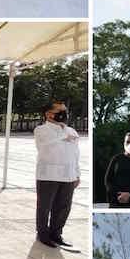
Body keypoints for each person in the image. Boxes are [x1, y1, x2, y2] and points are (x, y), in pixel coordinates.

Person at [34, 101, 81, 249]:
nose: (64, 114)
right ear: (48, 114)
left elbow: (76, 154)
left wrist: (77, 173)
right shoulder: (41, 130)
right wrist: (62, 136)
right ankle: (42, 234)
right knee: (44, 206)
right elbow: (43, 145)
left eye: (64, 110)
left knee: (63, 207)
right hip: (48, 175)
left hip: (68, 175)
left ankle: (56, 234)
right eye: (59, 110)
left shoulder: (72, 131)